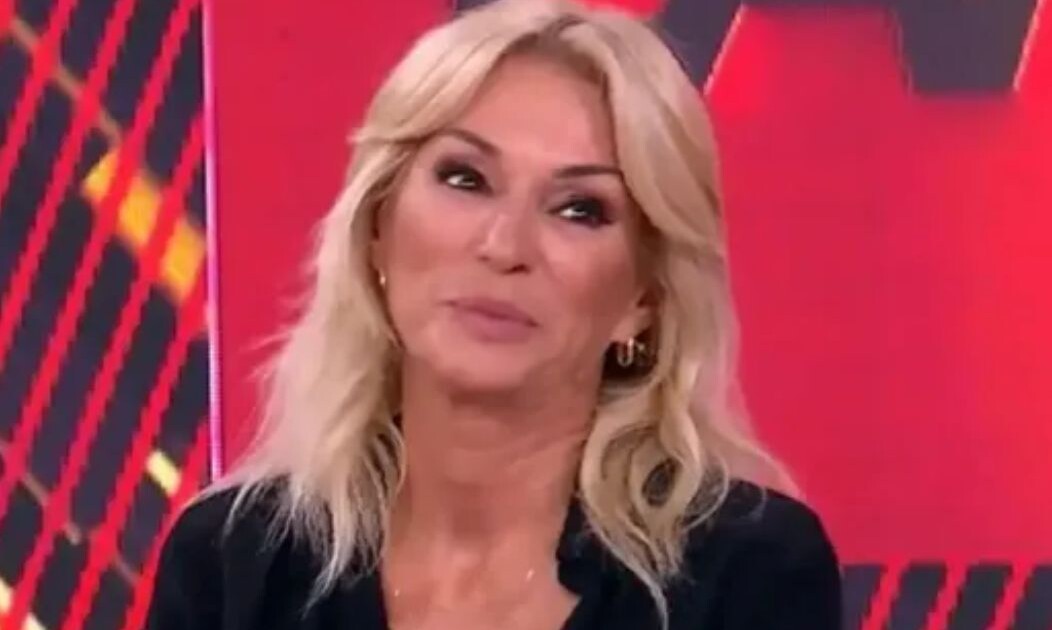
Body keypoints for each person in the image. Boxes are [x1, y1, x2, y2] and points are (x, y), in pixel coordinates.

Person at [146, 0, 842, 628]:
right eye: (466, 179)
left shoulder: (748, 575)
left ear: (643, 299)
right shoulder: (233, 564)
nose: (505, 246)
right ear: (378, 228)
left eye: (580, 210)